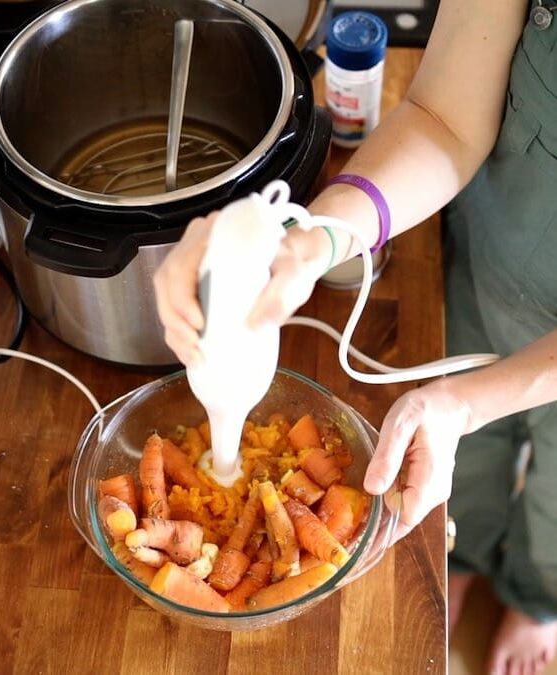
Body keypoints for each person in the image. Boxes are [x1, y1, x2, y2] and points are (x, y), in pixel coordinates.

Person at [153, 1, 557, 673]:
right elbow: (446, 116)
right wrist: (314, 236)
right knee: (466, 455)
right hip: (492, 248)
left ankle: (536, 594)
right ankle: (463, 549)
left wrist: (466, 401)